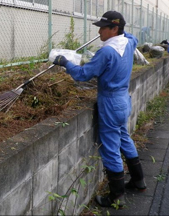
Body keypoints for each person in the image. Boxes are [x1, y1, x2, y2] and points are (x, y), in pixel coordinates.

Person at [52, 11, 146, 208]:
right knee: (124, 138)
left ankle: (116, 197)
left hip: (111, 102)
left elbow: (83, 74)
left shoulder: (107, 52)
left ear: (114, 29)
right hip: (123, 100)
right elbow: (132, 36)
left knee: (111, 147)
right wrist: (122, 29)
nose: (99, 31)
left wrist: (66, 62)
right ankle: (139, 181)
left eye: (103, 27)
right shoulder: (128, 43)